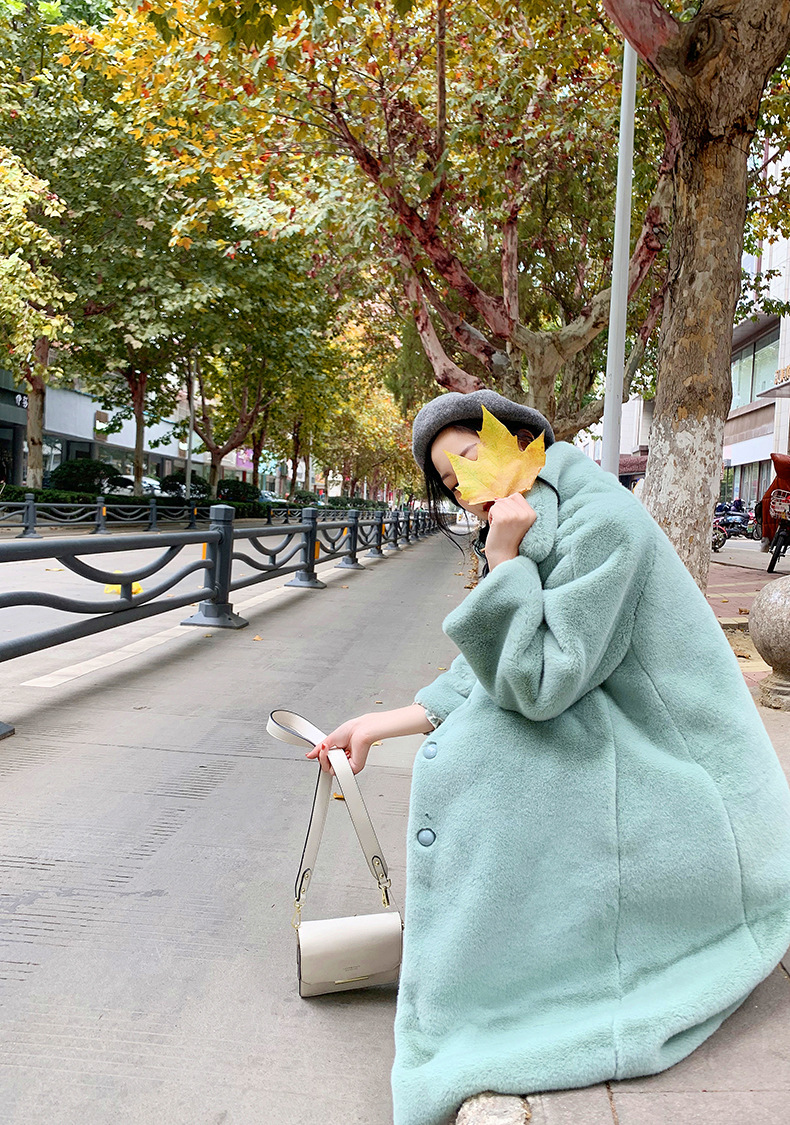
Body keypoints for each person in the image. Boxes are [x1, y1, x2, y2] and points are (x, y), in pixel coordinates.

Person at [305, 389, 790, 1125]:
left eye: (472, 458)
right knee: (484, 744)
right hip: (621, 728)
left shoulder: (601, 521)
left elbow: (536, 682)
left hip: (687, 771)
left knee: (495, 757)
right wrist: (381, 723)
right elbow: (492, 669)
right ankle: (488, 967)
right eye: (451, 482)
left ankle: (505, 978)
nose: (467, 488)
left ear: (522, 439)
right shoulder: (542, 512)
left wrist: (501, 560)